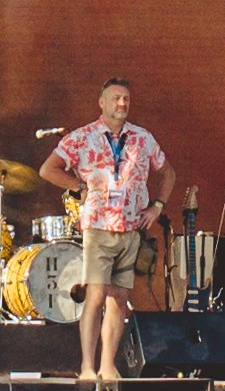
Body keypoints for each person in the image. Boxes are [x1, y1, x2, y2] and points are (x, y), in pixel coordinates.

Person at [45, 77, 175, 368]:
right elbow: (48, 169)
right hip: (98, 227)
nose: (122, 103)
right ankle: (87, 366)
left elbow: (168, 172)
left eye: (126, 98)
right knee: (95, 295)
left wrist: (157, 207)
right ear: (101, 102)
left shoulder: (142, 137)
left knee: (119, 299)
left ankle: (107, 365)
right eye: (116, 98)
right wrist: (78, 186)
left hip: (131, 228)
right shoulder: (82, 137)